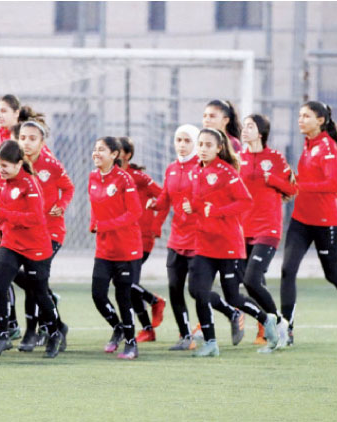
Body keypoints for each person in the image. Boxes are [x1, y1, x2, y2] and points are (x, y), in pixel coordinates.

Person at [280, 101, 337, 346]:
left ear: (320, 120)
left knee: (332, 273)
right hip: (300, 220)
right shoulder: (308, 144)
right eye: (299, 115)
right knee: (287, 270)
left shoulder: (327, 146)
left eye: (306, 116)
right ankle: (287, 329)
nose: (300, 120)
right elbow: (307, 179)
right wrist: (287, 181)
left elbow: (332, 185)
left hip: (325, 222)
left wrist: (299, 185)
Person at [186, 128, 279, 357]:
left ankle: (266, 319)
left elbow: (245, 202)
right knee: (199, 292)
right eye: (200, 144)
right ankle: (211, 343)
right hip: (204, 244)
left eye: (208, 145)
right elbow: (202, 204)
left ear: (219, 148)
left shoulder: (226, 172)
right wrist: (192, 207)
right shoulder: (196, 171)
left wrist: (216, 210)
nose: (203, 149)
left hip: (228, 244)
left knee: (233, 297)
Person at [149, 125, 242, 351]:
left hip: (199, 238)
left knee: (197, 291)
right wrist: (155, 206)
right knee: (174, 288)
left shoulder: (203, 169)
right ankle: (185, 336)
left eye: (187, 141)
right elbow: (166, 197)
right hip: (176, 239)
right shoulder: (171, 169)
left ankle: (229, 314)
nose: (182, 145)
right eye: (178, 140)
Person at [0, 140, 63, 358]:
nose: (0, 169)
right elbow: (6, 210)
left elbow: (35, 218)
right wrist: (1, 220)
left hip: (35, 246)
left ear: (19, 164)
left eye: (4, 165)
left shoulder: (30, 184)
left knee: (39, 293)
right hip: (12, 242)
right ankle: (3, 335)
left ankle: (54, 333)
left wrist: (4, 215)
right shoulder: (6, 183)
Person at [239, 114, 295, 350]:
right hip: (243, 229)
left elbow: (292, 188)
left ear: (261, 132)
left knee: (251, 279)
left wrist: (271, 179)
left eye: (250, 126)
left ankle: (279, 323)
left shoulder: (275, 158)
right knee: (248, 282)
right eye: (244, 126)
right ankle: (271, 325)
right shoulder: (238, 158)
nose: (245, 130)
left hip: (268, 228)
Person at [16, 120, 71, 352]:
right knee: (19, 276)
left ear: (42, 142)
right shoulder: (15, 165)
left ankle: (33, 331)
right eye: (23, 138)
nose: (27, 143)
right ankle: (56, 321)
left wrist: (61, 204)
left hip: (51, 233)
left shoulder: (51, 165)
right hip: (25, 233)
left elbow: (68, 188)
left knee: (35, 279)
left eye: (32, 139)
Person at [88, 136, 141, 360]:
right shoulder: (92, 176)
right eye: (95, 149)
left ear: (114, 155)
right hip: (104, 249)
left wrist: (106, 225)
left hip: (126, 248)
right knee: (98, 295)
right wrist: (94, 223)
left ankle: (131, 343)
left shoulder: (124, 179)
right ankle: (117, 327)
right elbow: (95, 205)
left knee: (123, 297)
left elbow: (135, 212)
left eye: (102, 149)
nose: (96, 153)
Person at [118, 136, 167, 343]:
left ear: (127, 155)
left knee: (128, 283)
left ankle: (154, 303)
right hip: (122, 238)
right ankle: (148, 327)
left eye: (118, 150)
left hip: (142, 238)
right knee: (127, 284)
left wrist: (156, 225)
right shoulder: (111, 176)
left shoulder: (138, 177)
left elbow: (165, 197)